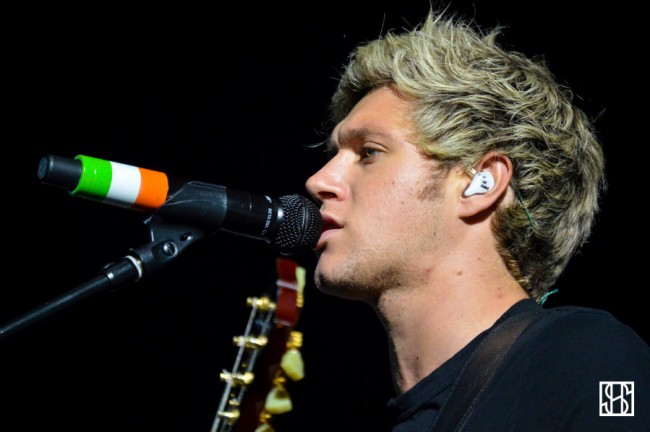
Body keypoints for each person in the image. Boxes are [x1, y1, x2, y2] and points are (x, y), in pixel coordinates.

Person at [304, 9, 650, 431]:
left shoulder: (593, 360)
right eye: (335, 155)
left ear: (480, 184)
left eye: (368, 153)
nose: (319, 181)